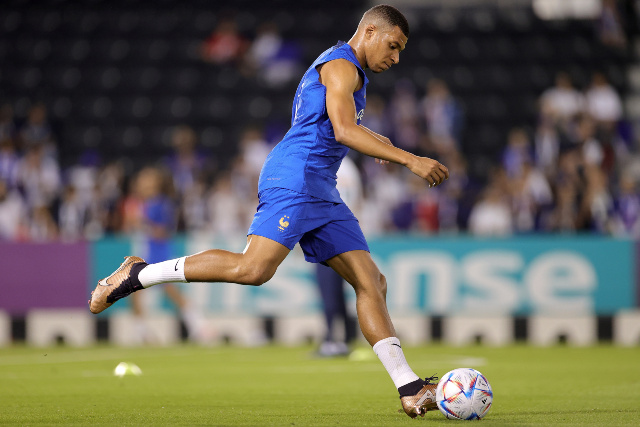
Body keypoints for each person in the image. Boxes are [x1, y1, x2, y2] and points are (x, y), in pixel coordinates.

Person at [89, 5, 448, 418]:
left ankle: (410, 389)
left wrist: (376, 137)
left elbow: (337, 125)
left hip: (321, 186)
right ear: (369, 31)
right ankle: (139, 273)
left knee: (372, 281)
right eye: (393, 46)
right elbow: (345, 130)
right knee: (252, 270)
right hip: (296, 177)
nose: (396, 57)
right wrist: (410, 159)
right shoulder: (341, 66)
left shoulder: (347, 71)